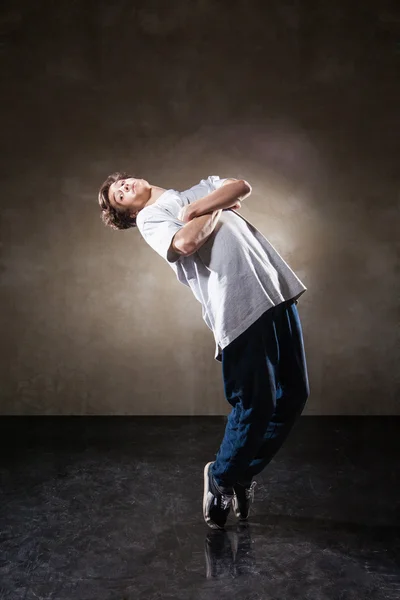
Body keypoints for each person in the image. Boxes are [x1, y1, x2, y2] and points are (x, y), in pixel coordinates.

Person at [98, 172, 310, 530]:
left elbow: (242, 186)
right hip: (238, 308)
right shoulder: (151, 218)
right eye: (118, 197)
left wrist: (199, 205)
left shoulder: (196, 191)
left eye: (120, 183)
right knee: (255, 405)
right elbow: (185, 243)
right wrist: (219, 202)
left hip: (275, 290)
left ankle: (239, 473)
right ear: (130, 215)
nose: (122, 187)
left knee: (293, 395)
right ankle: (222, 479)